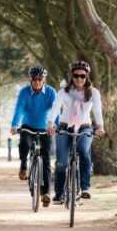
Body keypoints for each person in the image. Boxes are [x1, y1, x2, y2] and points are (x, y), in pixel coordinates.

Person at [46, 60, 105, 202]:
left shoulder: (93, 92)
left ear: (87, 77)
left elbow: (97, 111)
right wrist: (49, 123)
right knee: (61, 163)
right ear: (72, 76)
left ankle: (85, 188)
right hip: (64, 127)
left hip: (85, 127)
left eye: (82, 76)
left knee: (84, 151)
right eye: (76, 75)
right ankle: (59, 193)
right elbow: (55, 108)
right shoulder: (63, 92)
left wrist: (100, 126)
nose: (79, 79)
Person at [10, 66, 57, 207]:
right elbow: (19, 108)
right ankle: (24, 165)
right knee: (24, 144)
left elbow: (55, 109)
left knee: (46, 159)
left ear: (44, 80)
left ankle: (46, 192)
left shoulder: (50, 91)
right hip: (27, 126)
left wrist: (57, 125)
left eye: (40, 79)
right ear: (31, 79)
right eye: (34, 79)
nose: (37, 82)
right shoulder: (24, 92)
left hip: (45, 128)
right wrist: (15, 124)